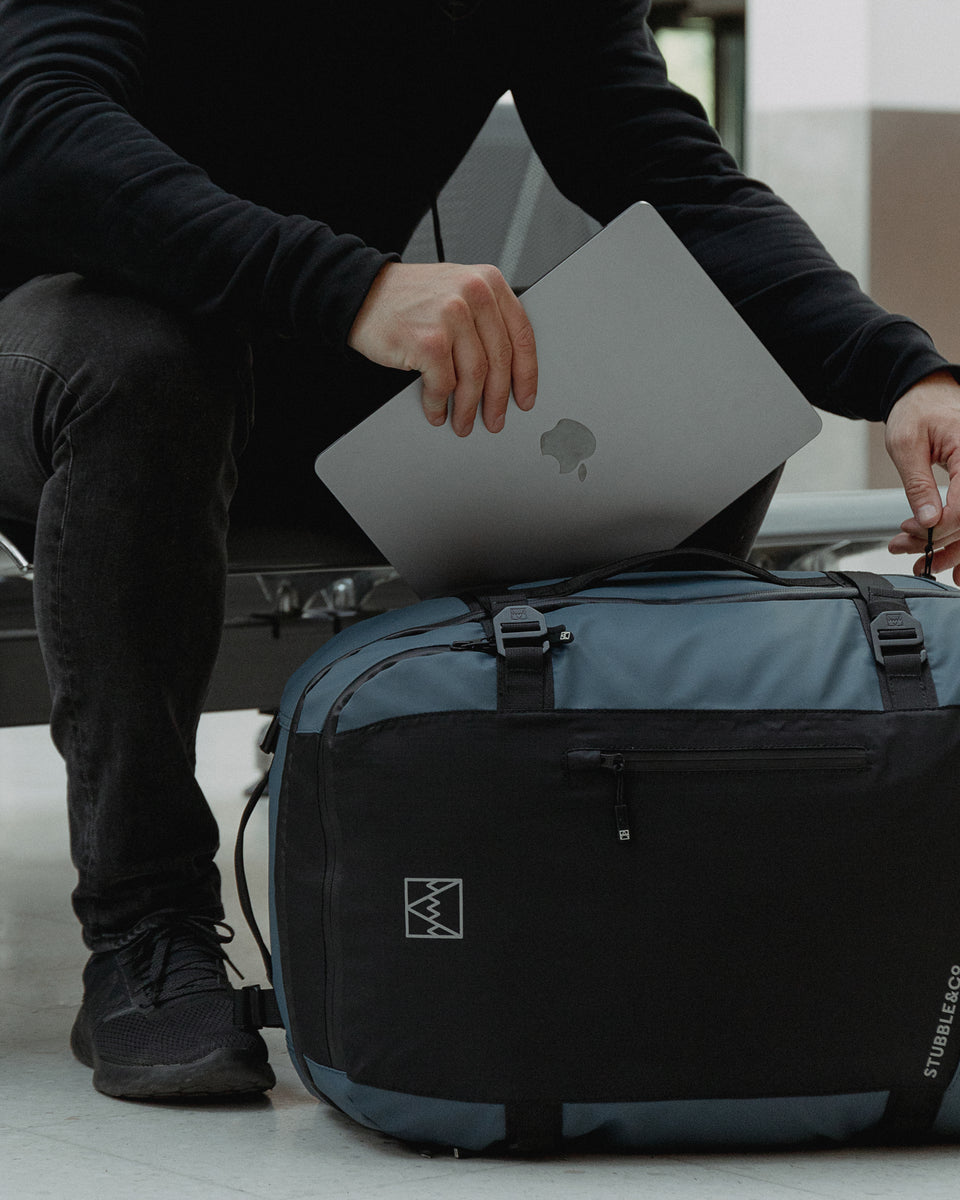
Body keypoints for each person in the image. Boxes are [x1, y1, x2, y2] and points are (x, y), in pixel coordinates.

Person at [1, 0, 958, 1101]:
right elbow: (40, 132)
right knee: (139, 362)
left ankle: (579, 836)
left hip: (308, 347)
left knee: (697, 353)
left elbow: (671, 176)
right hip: (62, 343)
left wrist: (903, 372)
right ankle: (146, 927)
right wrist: (351, 286)